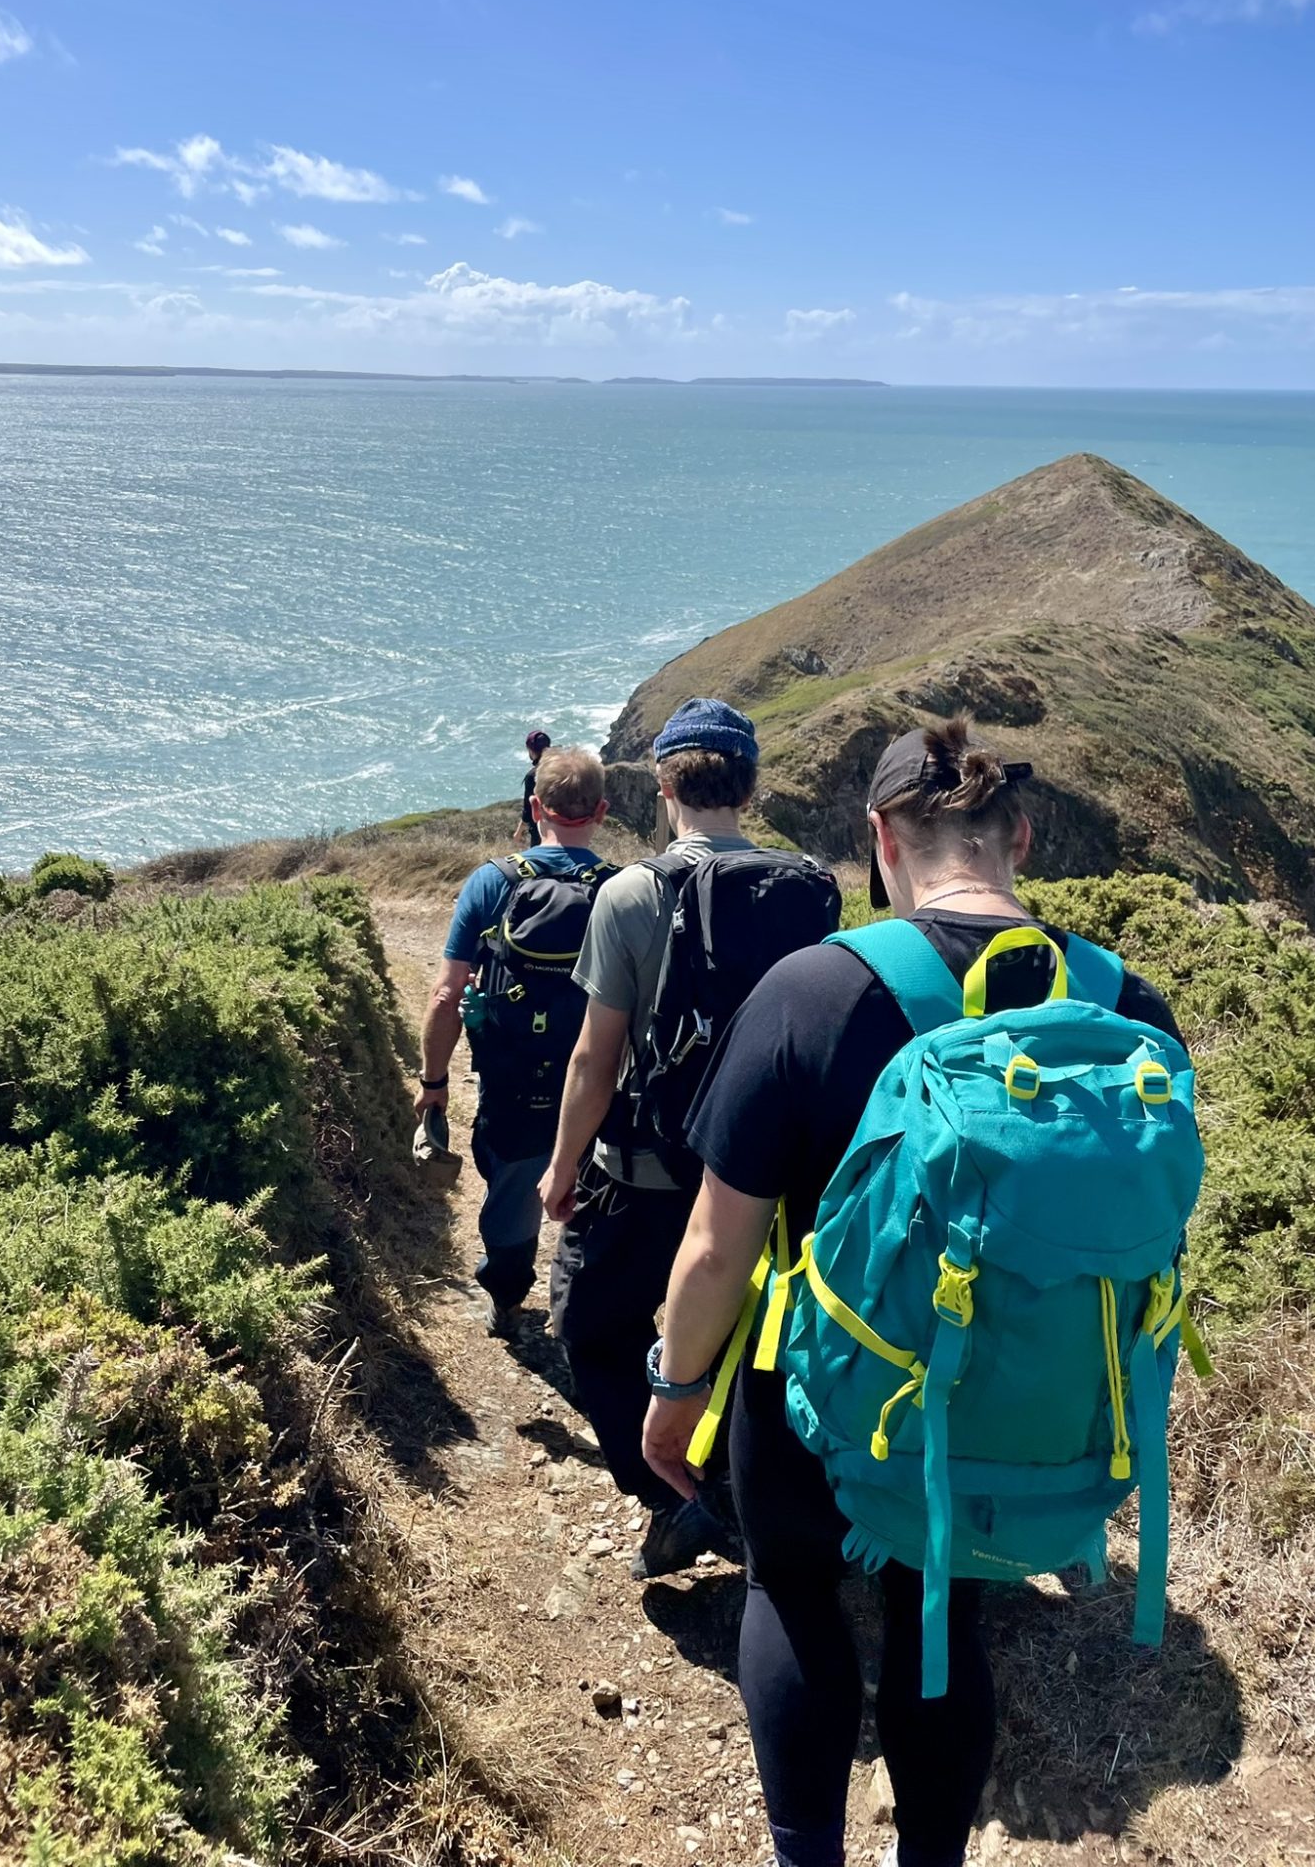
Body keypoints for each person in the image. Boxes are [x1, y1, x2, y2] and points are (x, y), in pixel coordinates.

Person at [642, 718, 1187, 1867]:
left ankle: (809, 1854)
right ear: (1019, 837)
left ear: (880, 839)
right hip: (1016, 1410)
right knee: (943, 1615)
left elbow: (714, 1247)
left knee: (792, 1594)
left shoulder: (811, 994)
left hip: (816, 1401)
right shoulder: (1126, 1007)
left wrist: (676, 1385)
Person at [538, 699, 764, 1581]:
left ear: (663, 785)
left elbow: (596, 1058)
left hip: (644, 1175)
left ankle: (675, 1491)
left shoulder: (631, 893)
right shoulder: (807, 889)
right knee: (746, 1337)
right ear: (747, 785)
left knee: (590, 1325)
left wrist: (562, 1169)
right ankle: (739, 1480)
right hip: (755, 1176)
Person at [417, 746, 612, 1337]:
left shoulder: (493, 883)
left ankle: (506, 1297)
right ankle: (583, 1315)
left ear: (535, 806)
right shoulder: (625, 888)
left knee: (512, 1192)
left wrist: (433, 1082)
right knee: (599, 1199)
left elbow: (445, 996)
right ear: (601, 811)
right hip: (601, 1080)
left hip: (511, 1081)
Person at [515, 729, 552, 842]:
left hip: (541, 831)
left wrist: (518, 832)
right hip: (566, 829)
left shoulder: (533, 775)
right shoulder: (561, 769)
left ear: (531, 750)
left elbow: (528, 809)